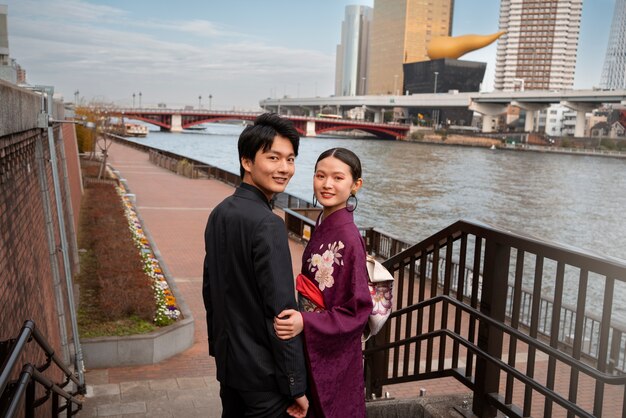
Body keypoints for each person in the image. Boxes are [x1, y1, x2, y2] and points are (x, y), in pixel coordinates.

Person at [203, 113, 308, 418]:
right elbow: (283, 313)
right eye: (273, 157)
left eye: (290, 159)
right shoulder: (268, 225)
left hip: (231, 368)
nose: (284, 168)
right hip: (264, 379)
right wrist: (296, 386)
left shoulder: (220, 213)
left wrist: (220, 351)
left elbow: (211, 290)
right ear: (247, 162)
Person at [274, 148, 373, 418]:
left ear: (355, 185)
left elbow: (357, 311)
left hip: (332, 346)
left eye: (338, 178)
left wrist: (307, 321)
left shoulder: (349, 239)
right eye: (320, 175)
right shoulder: (325, 223)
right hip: (315, 340)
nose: (327, 184)